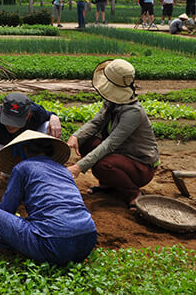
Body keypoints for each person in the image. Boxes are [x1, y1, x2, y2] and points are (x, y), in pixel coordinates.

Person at [0, 130, 97, 265]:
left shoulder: (22, 167)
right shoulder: (63, 170)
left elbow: (7, 209)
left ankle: (12, 247)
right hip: (88, 240)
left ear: (24, 149)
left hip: (53, 243)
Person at [66, 59, 160, 210]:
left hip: (141, 165)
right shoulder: (112, 102)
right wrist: (76, 136)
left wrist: (78, 167)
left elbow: (110, 144)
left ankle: (133, 193)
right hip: (121, 155)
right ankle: (109, 185)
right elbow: (96, 122)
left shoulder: (133, 112)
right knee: (86, 141)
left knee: (103, 165)